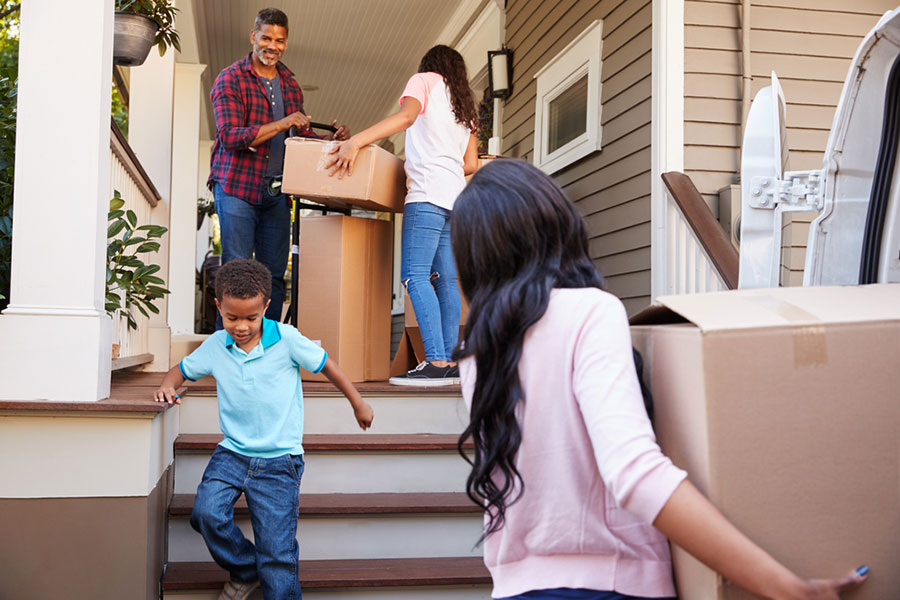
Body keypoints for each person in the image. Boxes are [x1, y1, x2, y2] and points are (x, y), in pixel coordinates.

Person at [450, 160, 868, 600]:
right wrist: (788, 588)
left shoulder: (478, 353)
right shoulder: (590, 312)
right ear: (556, 227)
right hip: (610, 588)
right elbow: (634, 473)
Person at [154, 259, 374, 600]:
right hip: (232, 453)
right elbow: (180, 370)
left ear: (266, 307)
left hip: (279, 461)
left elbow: (326, 364)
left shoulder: (286, 339)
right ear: (219, 307)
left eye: (251, 318)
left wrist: (357, 401)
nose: (241, 326)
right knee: (206, 514)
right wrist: (167, 386)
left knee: (277, 555)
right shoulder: (215, 345)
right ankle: (244, 568)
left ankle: (263, 576)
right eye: (232, 317)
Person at [327, 45, 478, 386]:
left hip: (425, 194)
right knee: (447, 279)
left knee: (415, 275)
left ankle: (437, 362)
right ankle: (451, 362)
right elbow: (471, 164)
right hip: (454, 198)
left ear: (429, 65)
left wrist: (357, 142)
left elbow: (407, 118)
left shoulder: (423, 80)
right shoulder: (463, 104)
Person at [208, 7, 350, 327]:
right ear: (253, 36)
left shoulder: (289, 83)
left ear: (286, 42)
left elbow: (299, 136)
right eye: (266, 38)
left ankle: (266, 347)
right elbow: (231, 137)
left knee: (273, 275)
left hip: (275, 191)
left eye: (280, 40)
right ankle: (229, 349)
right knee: (238, 270)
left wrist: (336, 141)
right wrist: (283, 122)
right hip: (236, 188)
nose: (272, 46)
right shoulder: (230, 78)